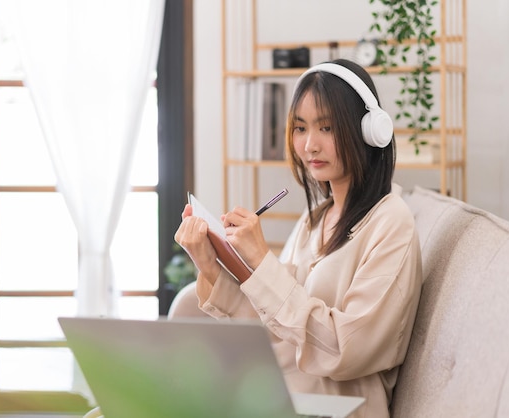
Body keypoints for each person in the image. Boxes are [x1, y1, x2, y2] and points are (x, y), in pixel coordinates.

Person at [174, 58, 422, 418]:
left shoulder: (390, 223)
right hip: (287, 394)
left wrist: (261, 261)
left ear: (370, 131)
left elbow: (343, 350)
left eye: (327, 128)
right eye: (301, 128)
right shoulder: (314, 220)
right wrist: (211, 266)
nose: (310, 145)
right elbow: (278, 328)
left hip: (338, 407)